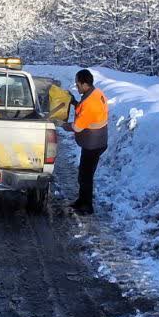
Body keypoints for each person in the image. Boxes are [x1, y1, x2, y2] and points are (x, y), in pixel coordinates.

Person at [62, 69, 109, 215]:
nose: (76, 87)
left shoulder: (90, 103)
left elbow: (77, 126)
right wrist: (75, 102)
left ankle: (87, 206)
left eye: (77, 84)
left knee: (85, 175)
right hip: (96, 140)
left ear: (84, 83)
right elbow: (84, 112)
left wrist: (62, 124)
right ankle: (82, 200)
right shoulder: (95, 93)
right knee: (84, 173)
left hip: (93, 144)